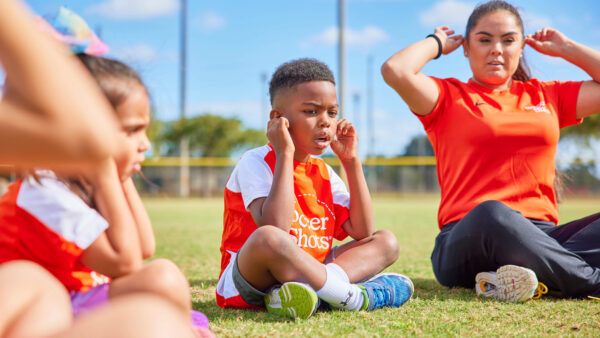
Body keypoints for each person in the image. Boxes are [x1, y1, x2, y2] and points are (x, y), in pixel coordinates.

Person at [0, 1, 199, 337]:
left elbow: (144, 247)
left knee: (162, 274)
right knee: (158, 281)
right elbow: (125, 261)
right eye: (132, 130)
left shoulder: (85, 180)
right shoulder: (42, 188)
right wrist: (107, 171)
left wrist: (120, 178)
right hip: (52, 305)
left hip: (75, 298)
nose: (146, 143)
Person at [381, 0, 600, 302]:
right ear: (467, 49)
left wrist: (568, 49)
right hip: (469, 236)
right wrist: (436, 43)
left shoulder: (546, 95)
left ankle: (523, 276)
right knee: (492, 213)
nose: (496, 49)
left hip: (541, 238)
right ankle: (589, 281)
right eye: (484, 40)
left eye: (508, 40)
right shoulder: (447, 97)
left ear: (521, 47)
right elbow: (395, 70)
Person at [217, 58, 413, 319]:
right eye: (311, 112)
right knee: (268, 238)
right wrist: (285, 152)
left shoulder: (323, 171)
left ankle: (303, 294)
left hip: (311, 271)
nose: (326, 122)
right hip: (251, 278)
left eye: (332, 113)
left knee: (385, 241)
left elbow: (362, 230)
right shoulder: (255, 161)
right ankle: (350, 297)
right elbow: (276, 228)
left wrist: (351, 161)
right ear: (278, 119)